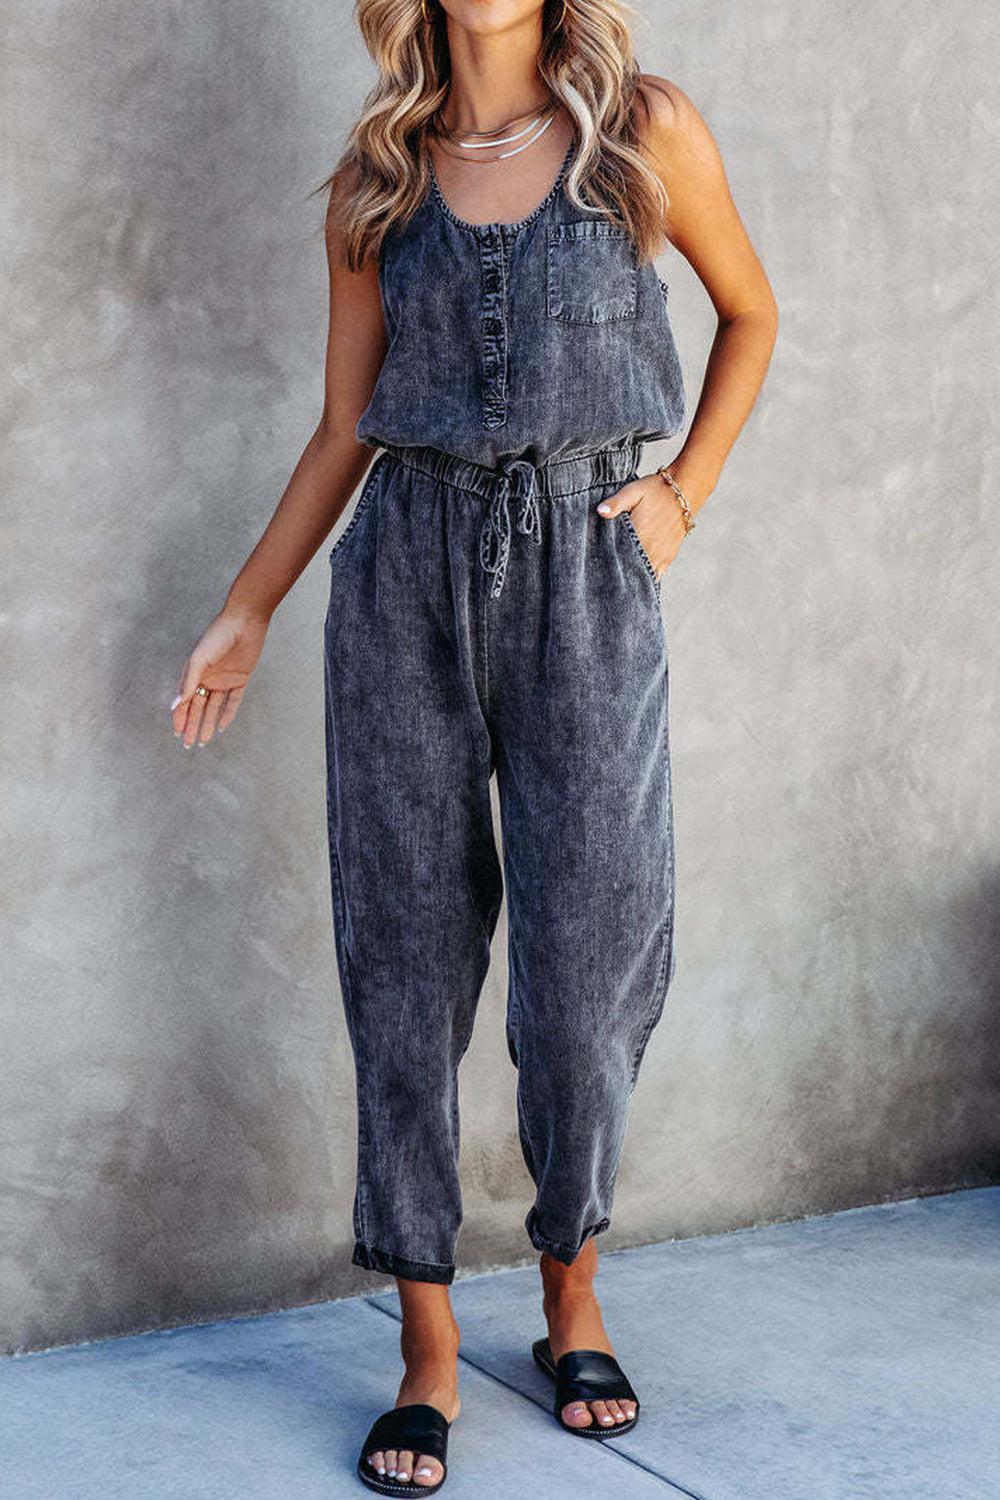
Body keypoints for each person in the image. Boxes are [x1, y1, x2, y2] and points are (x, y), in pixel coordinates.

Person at [169, 0, 777, 1490]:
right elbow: (343, 427)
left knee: (592, 958)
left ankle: (571, 1280)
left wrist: (680, 495)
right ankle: (427, 1337)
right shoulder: (378, 179)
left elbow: (753, 312)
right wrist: (246, 609)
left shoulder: (646, 132)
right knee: (406, 957)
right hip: (402, 589)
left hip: (585, 574)